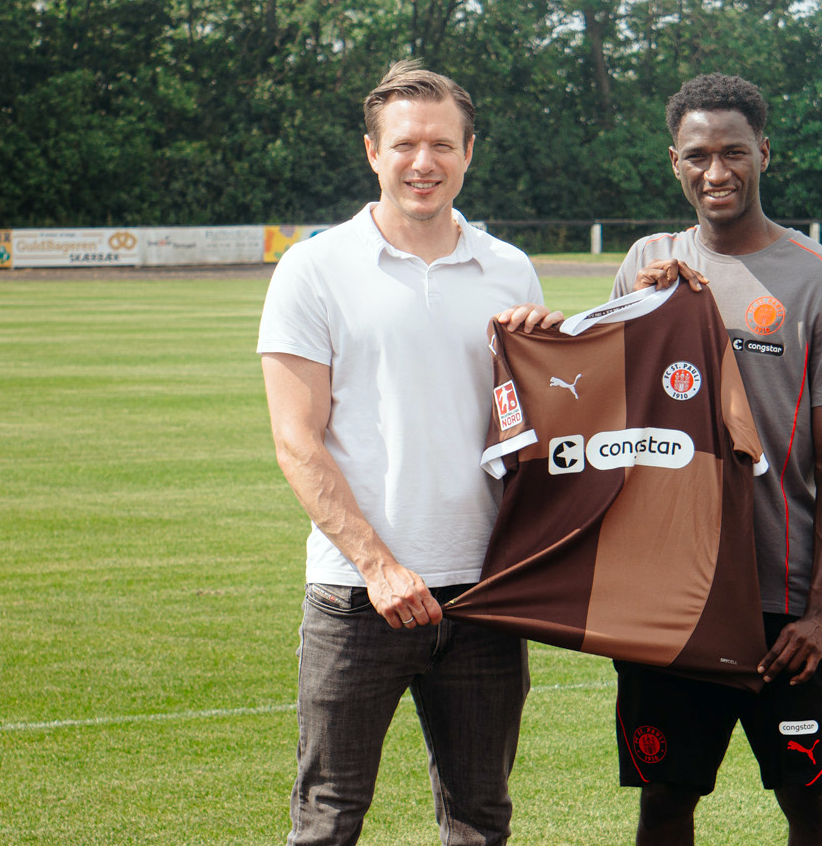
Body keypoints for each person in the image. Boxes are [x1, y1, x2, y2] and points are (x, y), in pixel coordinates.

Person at [257, 60, 559, 846]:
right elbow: (296, 438)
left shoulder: (507, 267)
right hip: (356, 596)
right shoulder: (313, 268)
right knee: (327, 819)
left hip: (485, 596)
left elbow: (529, 428)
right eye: (403, 145)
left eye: (440, 145)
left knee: (480, 820)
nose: (421, 163)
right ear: (371, 152)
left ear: (468, 153)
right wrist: (379, 566)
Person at [610, 73, 822, 846]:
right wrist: (650, 314)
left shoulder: (818, 279)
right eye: (698, 155)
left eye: (734, 151)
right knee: (664, 800)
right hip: (672, 599)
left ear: (763, 151)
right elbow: (614, 419)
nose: (716, 171)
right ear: (674, 162)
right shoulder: (645, 264)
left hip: (782, 603)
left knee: (805, 803)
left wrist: (820, 609)